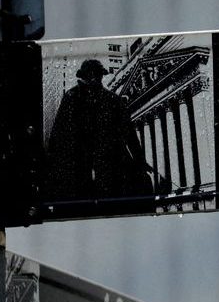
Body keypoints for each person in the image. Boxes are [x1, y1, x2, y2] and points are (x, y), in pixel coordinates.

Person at [46, 59, 154, 202]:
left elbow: (129, 133)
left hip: (108, 162)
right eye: (92, 75)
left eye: (97, 75)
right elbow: (58, 134)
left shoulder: (111, 100)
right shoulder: (73, 98)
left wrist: (140, 161)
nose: (95, 78)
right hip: (83, 163)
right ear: (85, 76)